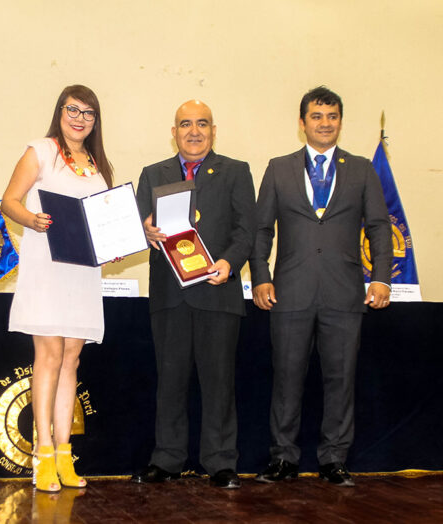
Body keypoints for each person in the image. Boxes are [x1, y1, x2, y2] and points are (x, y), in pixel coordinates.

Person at [250, 86, 392, 487]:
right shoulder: (279, 168)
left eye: (332, 117)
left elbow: (380, 227)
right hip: (289, 291)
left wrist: (381, 276)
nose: (324, 123)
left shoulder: (362, 168)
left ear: (340, 122)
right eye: (316, 116)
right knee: (286, 377)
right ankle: (283, 458)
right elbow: (262, 230)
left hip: (344, 292)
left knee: (340, 378)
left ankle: (334, 459)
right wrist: (261, 277)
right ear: (302, 123)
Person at [132, 100, 256, 489]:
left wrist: (230, 263)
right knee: (169, 382)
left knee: (219, 383)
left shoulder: (236, 172)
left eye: (202, 124)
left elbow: (246, 230)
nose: (194, 131)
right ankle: (167, 459)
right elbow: (137, 227)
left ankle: (220, 462)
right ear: (174, 132)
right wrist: (146, 232)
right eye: (185, 124)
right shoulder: (153, 174)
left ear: (213, 131)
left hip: (218, 292)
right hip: (170, 296)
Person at [1, 85, 113, 492]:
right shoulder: (40, 151)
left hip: (83, 272)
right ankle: (42, 454)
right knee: (48, 354)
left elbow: (103, 222)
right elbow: (9, 200)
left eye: (88, 113)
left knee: (72, 358)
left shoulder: (98, 165)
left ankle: (65, 455)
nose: (80, 118)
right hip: (47, 266)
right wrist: (31, 220)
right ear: (60, 111)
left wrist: (112, 247)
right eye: (73, 109)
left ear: (95, 121)